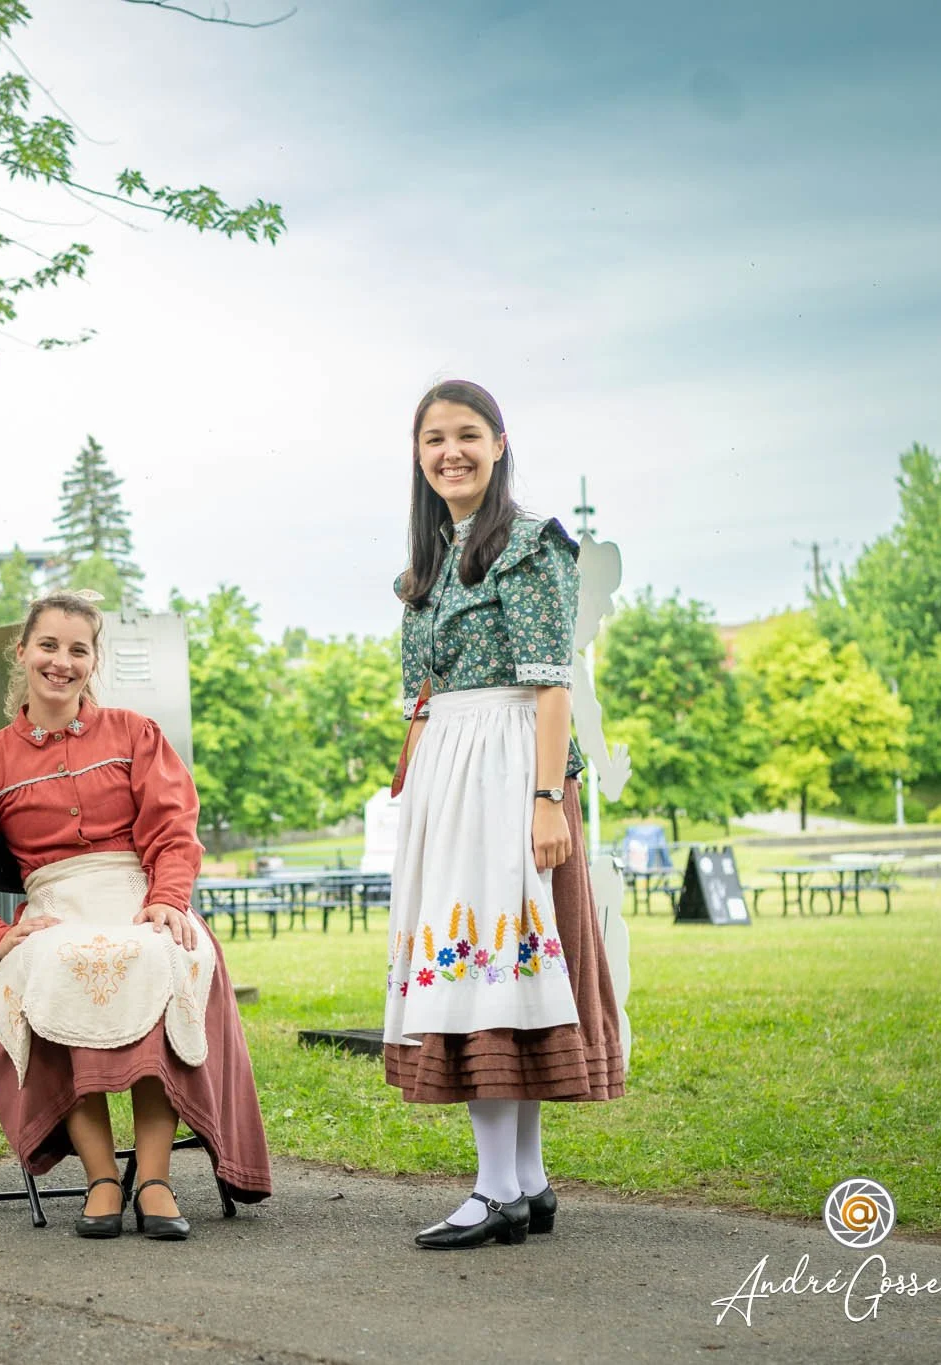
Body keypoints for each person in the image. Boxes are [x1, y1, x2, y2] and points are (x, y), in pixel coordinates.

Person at [0, 592, 271, 1239]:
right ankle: (103, 1176)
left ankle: (154, 1179)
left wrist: (165, 898)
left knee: (162, 955)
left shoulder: (134, 733)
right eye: (48, 645)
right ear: (21, 653)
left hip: (136, 895)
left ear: (94, 659)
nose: (62, 661)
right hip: (54, 906)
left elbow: (174, 830)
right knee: (50, 967)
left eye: (78, 649)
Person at [381, 379, 625, 1250]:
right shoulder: (433, 558)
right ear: (418, 454)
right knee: (494, 968)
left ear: (500, 442)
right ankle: (522, 1182)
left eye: (468, 435)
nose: (451, 451)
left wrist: (547, 795)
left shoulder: (528, 544)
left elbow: (550, 681)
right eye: (434, 438)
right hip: (453, 768)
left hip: (506, 767)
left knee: (489, 967)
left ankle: (492, 1190)